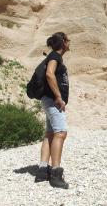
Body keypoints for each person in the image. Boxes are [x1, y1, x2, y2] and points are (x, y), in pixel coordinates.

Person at [35, 32, 70, 189]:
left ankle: (42, 170)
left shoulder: (53, 56)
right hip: (51, 99)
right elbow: (50, 74)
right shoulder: (55, 56)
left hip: (47, 99)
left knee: (50, 133)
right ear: (63, 42)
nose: (70, 43)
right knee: (60, 132)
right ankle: (56, 173)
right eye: (68, 40)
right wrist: (58, 97)